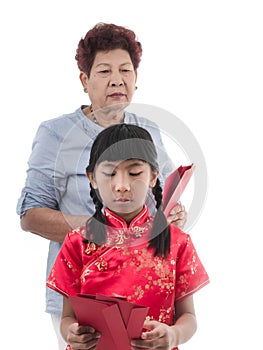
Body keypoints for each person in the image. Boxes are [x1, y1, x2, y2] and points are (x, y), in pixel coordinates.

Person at [17, 23, 187, 349]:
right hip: (83, 298)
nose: (116, 80)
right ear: (85, 80)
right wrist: (100, 230)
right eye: (104, 70)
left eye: (125, 70)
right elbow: (30, 215)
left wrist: (171, 215)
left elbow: (159, 197)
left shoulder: (148, 130)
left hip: (147, 289)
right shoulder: (55, 134)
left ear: (136, 79)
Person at [47, 123, 209, 350]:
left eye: (134, 173)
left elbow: (188, 317)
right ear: (92, 178)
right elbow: (67, 318)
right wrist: (72, 333)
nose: (122, 185)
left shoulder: (177, 241)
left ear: (153, 176)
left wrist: (172, 335)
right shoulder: (78, 242)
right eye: (110, 173)